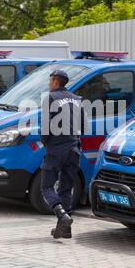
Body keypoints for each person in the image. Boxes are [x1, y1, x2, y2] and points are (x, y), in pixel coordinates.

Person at [40, 70, 88, 239]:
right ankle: (66, 230)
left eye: (50, 80)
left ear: (55, 81)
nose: (49, 84)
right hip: (74, 149)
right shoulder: (77, 99)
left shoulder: (51, 98)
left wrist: (44, 142)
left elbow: (46, 128)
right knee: (66, 188)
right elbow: (83, 125)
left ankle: (62, 215)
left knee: (46, 187)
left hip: (56, 149)